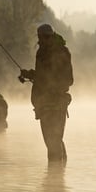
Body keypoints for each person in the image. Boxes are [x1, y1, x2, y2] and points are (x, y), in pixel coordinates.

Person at [19, 23, 73, 162]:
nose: (42, 41)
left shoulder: (62, 52)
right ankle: (59, 174)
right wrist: (29, 74)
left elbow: (68, 79)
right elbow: (42, 75)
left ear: (51, 36)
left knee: (53, 142)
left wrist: (52, 87)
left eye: (46, 37)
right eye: (41, 38)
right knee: (51, 141)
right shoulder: (41, 52)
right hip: (43, 104)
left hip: (57, 103)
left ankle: (56, 176)